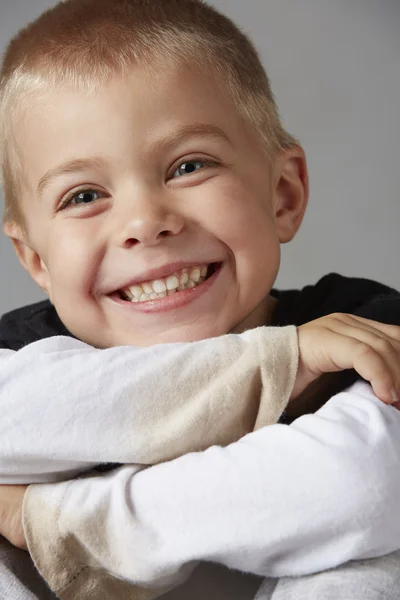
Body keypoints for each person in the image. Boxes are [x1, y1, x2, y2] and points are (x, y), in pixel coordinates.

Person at [1, 0, 400, 598]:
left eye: (189, 165)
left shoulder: (354, 326)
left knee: (371, 567)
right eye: (83, 196)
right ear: (36, 260)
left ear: (283, 196)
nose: (144, 221)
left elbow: (361, 487)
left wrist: (43, 520)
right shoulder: (24, 358)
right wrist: (279, 366)